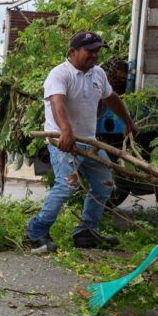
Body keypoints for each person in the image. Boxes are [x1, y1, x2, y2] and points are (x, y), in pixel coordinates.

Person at [26, 32, 139, 253]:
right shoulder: (59, 74)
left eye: (97, 51)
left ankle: (86, 232)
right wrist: (65, 131)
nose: (94, 55)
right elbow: (57, 104)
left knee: (104, 185)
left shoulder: (98, 74)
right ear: (73, 52)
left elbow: (112, 98)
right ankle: (36, 232)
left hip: (89, 142)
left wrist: (128, 121)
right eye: (89, 51)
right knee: (67, 185)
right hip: (62, 142)